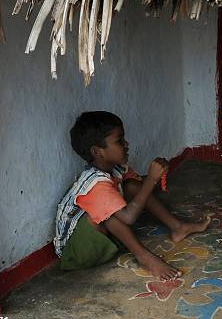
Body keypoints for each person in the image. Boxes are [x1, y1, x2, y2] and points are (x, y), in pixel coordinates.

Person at [54, 111, 210, 280]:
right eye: (119, 141)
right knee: (108, 215)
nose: (126, 144)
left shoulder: (114, 169)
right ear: (98, 152)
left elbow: (138, 189)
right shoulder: (95, 184)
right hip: (77, 252)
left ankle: (178, 228)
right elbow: (128, 218)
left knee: (131, 186)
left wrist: (154, 177)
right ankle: (146, 258)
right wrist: (151, 179)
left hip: (97, 238)